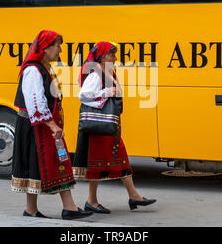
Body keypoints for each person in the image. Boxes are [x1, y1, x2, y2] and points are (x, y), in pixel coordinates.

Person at [11, 30, 93, 220]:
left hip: (43, 126)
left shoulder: (43, 67)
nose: (60, 50)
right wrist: (53, 126)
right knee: (56, 163)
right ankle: (67, 208)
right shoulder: (33, 69)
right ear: (46, 48)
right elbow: (35, 101)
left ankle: (37, 210)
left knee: (52, 163)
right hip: (38, 128)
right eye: (57, 46)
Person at [72, 41, 156, 213]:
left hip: (110, 126)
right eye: (111, 54)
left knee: (121, 159)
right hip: (100, 127)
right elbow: (83, 95)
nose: (115, 58)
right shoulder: (95, 73)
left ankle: (133, 196)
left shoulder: (106, 71)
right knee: (96, 164)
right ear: (102, 57)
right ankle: (92, 201)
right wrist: (106, 93)